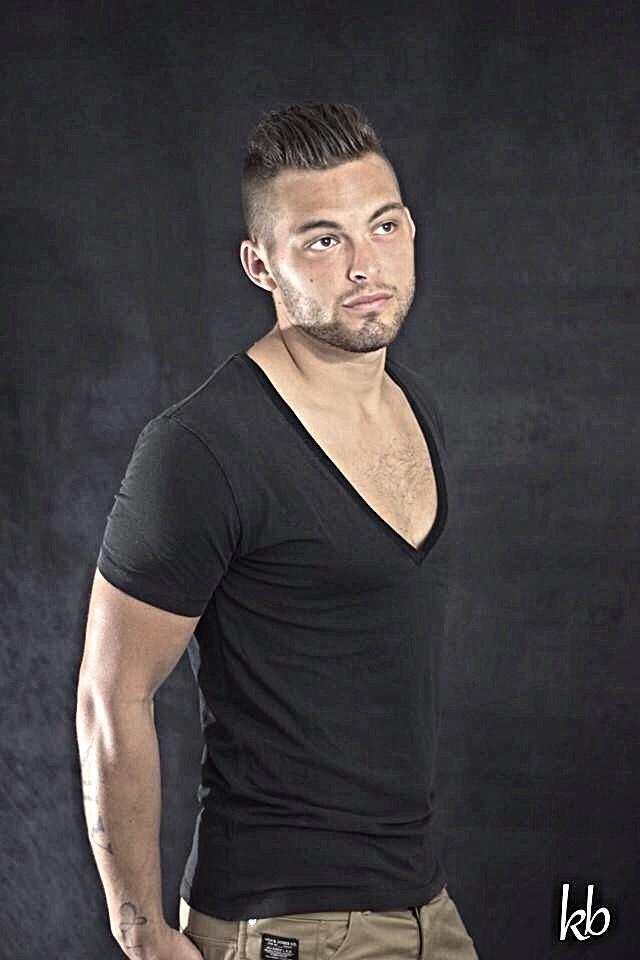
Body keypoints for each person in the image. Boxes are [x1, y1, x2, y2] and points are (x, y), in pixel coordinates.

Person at [76, 103, 479, 960]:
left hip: (425, 905)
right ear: (260, 264)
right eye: (323, 240)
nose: (365, 264)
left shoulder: (416, 406)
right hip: (283, 923)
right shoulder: (200, 448)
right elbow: (111, 698)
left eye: (383, 226)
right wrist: (140, 930)